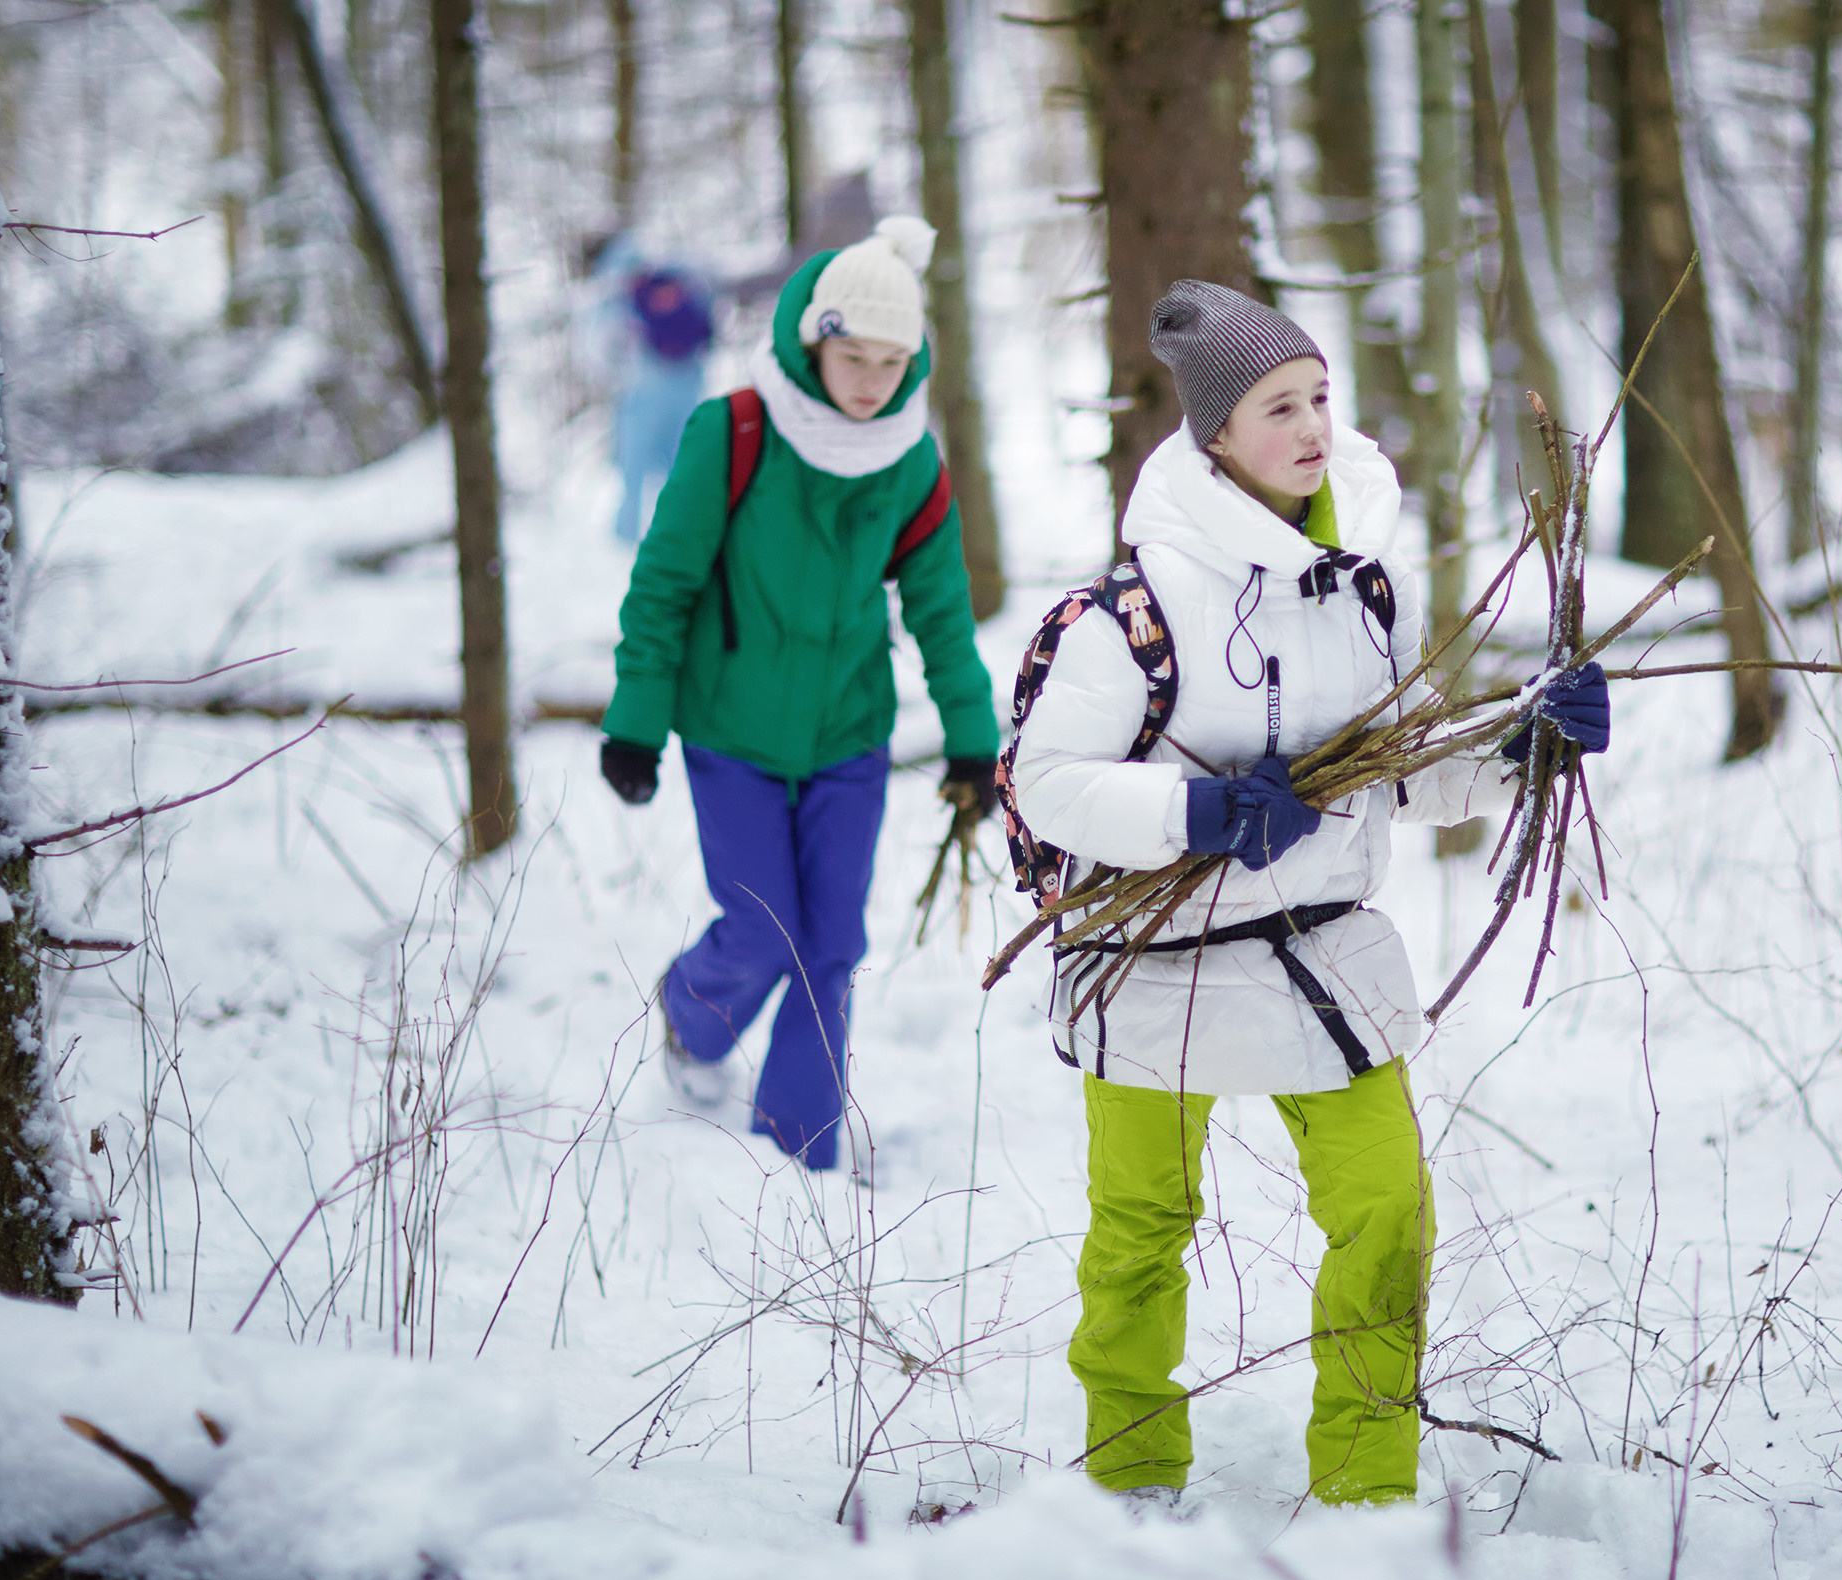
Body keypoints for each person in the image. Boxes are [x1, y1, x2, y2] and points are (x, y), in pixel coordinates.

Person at [1007, 281, 1611, 1510]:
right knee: (1138, 1235)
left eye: (1321, 397)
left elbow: (1396, 777)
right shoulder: (1135, 611)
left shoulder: (1360, 589)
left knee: (1388, 1212)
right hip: (1155, 963)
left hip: (1323, 961)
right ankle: (1124, 1487)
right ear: (1214, 433)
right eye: (1279, 404)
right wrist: (1200, 815)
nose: (1311, 425)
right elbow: (1048, 782)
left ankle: (1369, 1482)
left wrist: (1519, 747)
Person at [598, 217, 999, 1174]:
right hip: (731, 729)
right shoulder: (733, 432)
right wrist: (634, 721)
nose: (871, 381)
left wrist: (972, 739)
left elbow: (943, 611)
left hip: (848, 732)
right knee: (763, 929)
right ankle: (693, 1018)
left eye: (892, 361)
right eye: (852, 355)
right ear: (810, 340)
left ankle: (798, 1148)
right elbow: (664, 582)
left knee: (830, 944)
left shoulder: (909, 459)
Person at [585, 232, 718, 545]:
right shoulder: (680, 276)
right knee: (677, 466)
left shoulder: (618, 296)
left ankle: (630, 538)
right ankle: (677, 533)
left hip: (646, 391)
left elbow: (599, 349)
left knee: (638, 468)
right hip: (684, 384)